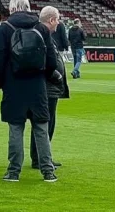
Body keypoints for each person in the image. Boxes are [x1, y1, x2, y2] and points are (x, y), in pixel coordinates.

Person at [0, 0, 60, 183]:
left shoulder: (5, 28)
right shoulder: (40, 27)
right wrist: (43, 77)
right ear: (29, 7)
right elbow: (51, 61)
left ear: (12, 9)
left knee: (15, 128)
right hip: (37, 85)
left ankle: (13, 171)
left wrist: (3, 81)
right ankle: (48, 171)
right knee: (41, 128)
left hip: (14, 85)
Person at [30, 10, 69, 171]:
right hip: (48, 87)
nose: (59, 23)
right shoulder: (42, 35)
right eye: (57, 20)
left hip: (49, 86)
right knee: (45, 123)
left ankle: (40, 156)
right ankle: (41, 158)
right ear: (52, 20)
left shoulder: (43, 34)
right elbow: (44, 62)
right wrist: (57, 76)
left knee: (44, 123)